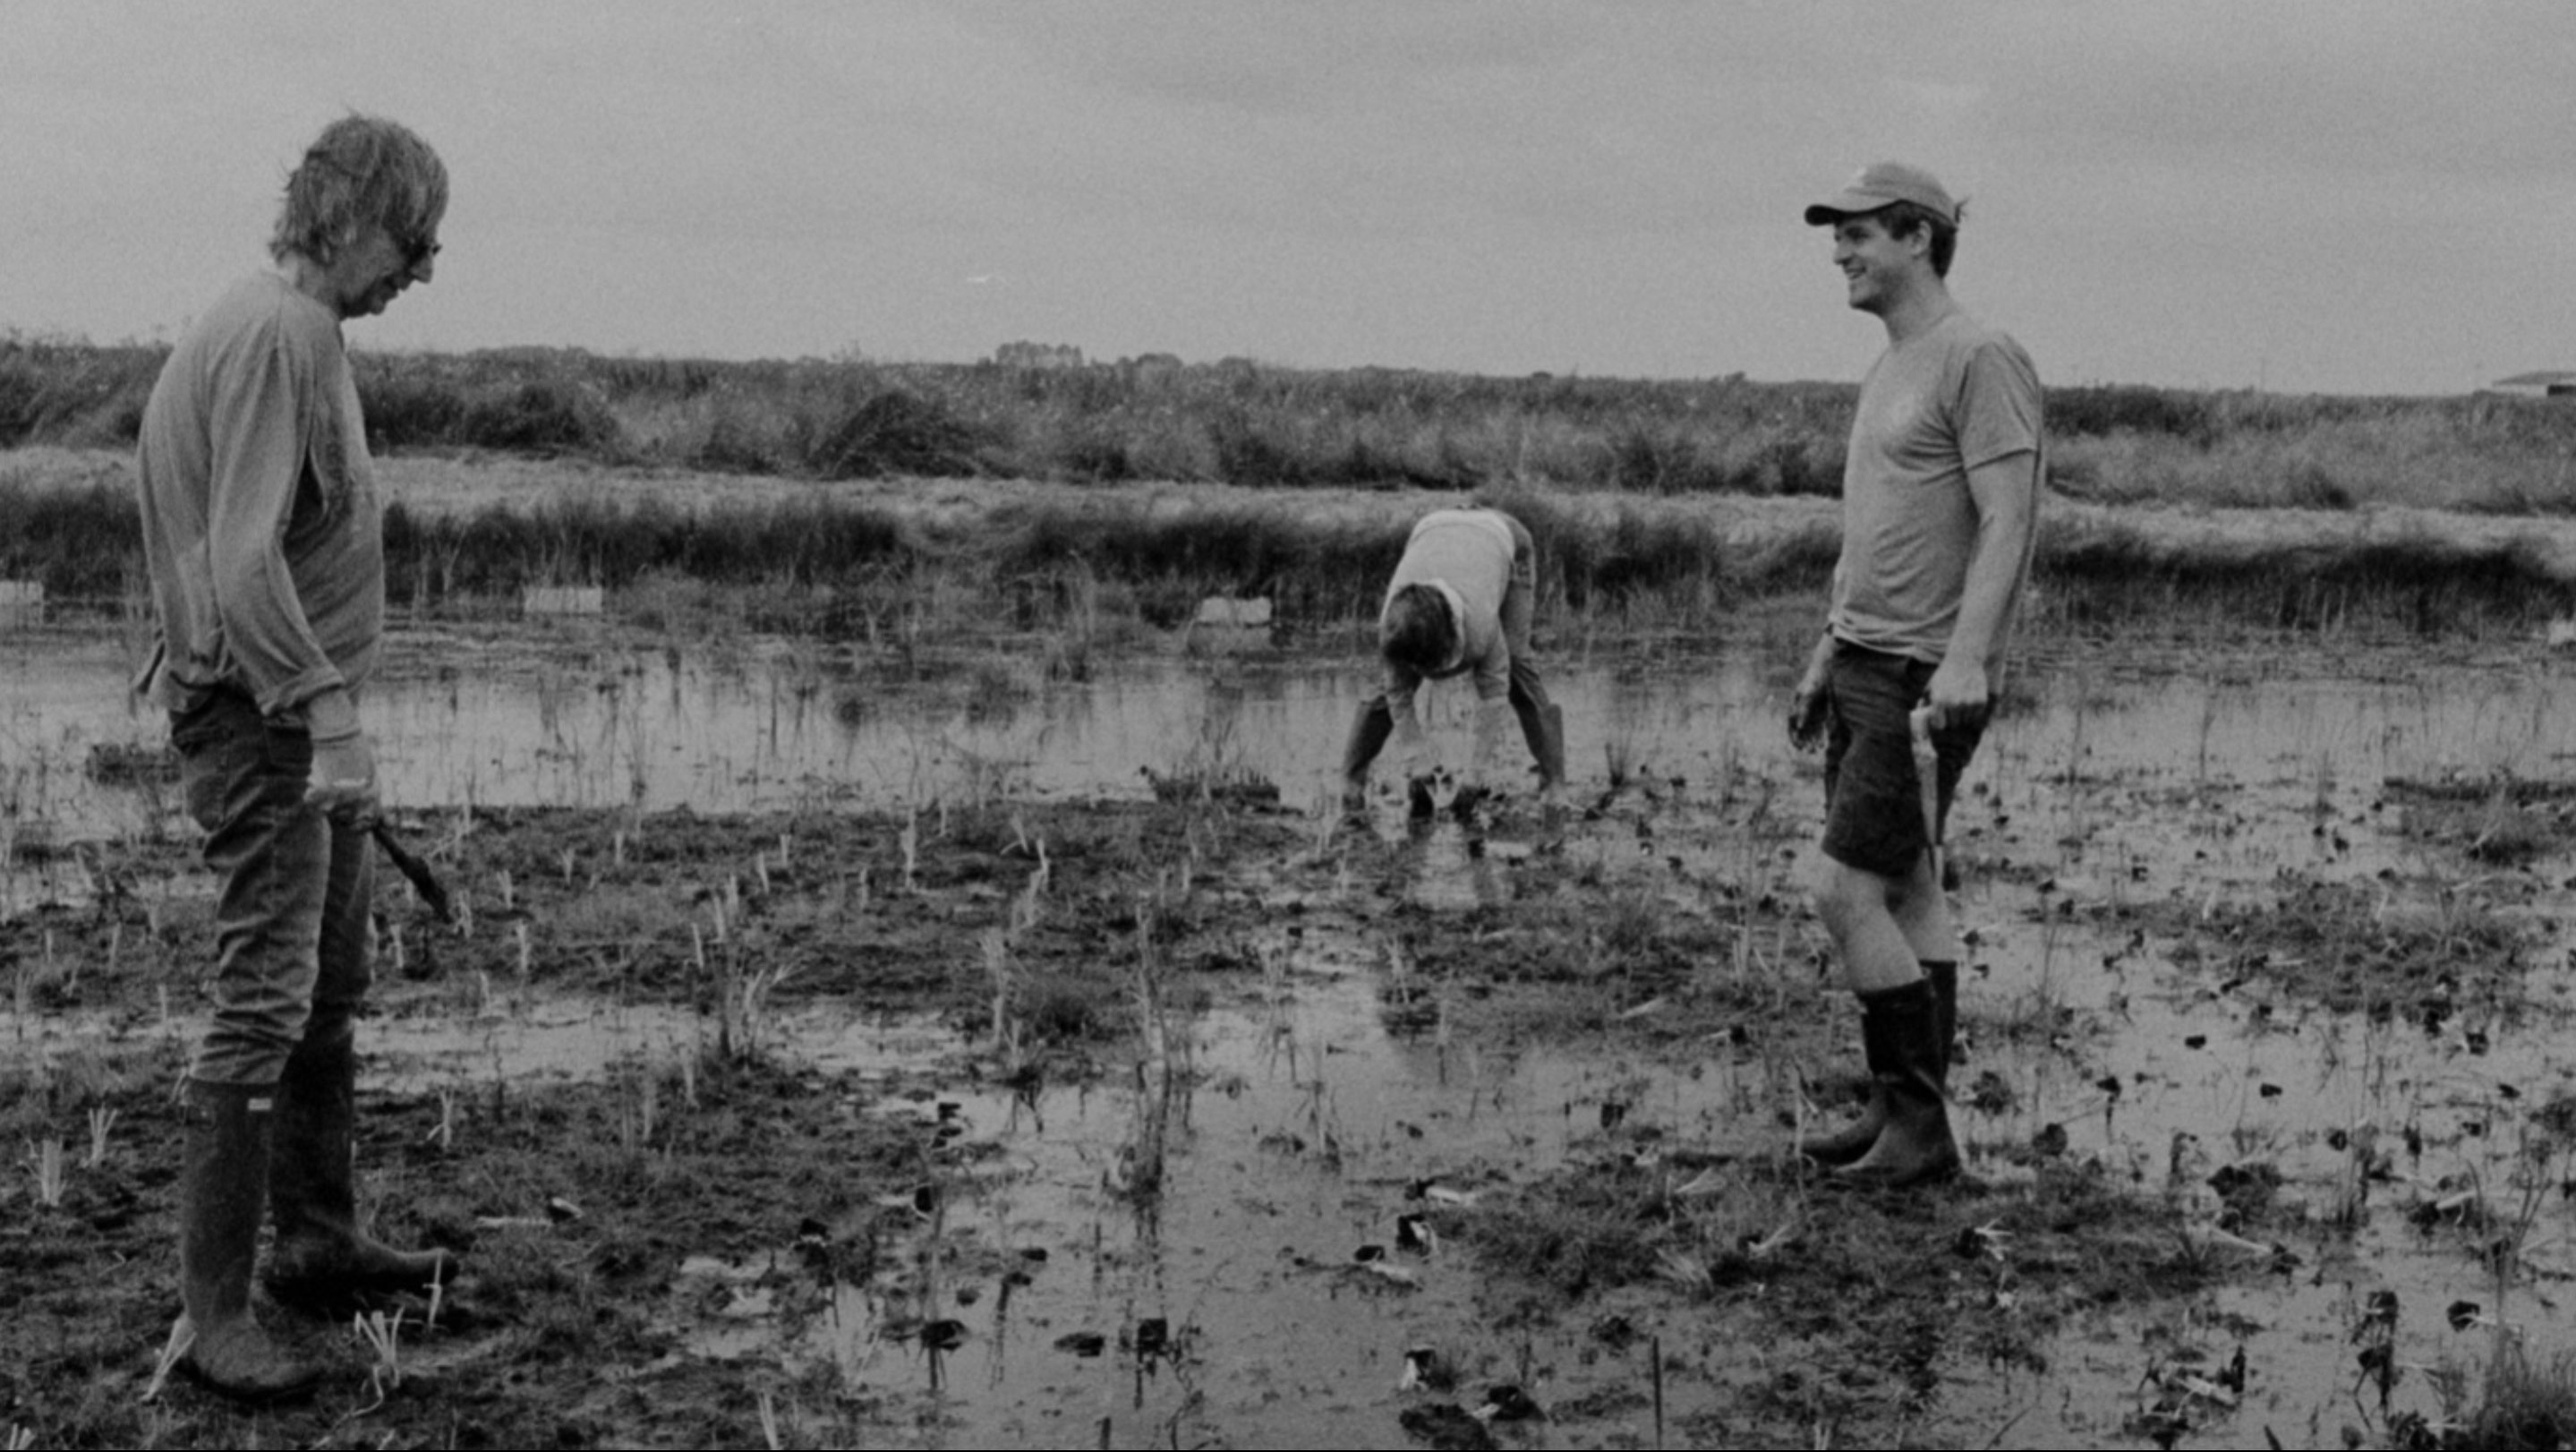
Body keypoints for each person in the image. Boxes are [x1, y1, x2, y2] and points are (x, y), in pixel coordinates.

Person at [135, 114, 454, 1401]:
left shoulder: (282, 326)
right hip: (259, 717)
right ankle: (213, 1317)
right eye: (414, 235)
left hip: (281, 710)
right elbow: (240, 557)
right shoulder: (282, 332)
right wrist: (327, 712)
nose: (424, 267)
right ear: (350, 213)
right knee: (265, 996)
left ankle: (318, 1243)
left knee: (326, 979)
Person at [1786, 162, 2043, 1188]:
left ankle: (1921, 1128)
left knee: (1841, 887)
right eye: (1837, 236)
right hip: (1862, 654)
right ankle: (1906, 1119)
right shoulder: (1890, 364)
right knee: (1906, 885)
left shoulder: (1978, 357)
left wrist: (1968, 657)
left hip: (1921, 671)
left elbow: (2008, 518)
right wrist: (1824, 643)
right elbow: (1874, 527)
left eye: (1858, 235)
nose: (1840, 252)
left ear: (1919, 239)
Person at [1339, 507, 1565, 816]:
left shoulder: (1479, 625)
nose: (1420, 674)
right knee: (1386, 684)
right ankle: (1350, 783)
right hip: (1435, 529)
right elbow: (1398, 692)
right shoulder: (1392, 627)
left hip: (1504, 537)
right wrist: (1415, 756)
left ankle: (1554, 784)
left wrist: (1475, 775)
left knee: (1517, 664)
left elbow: (1494, 695)